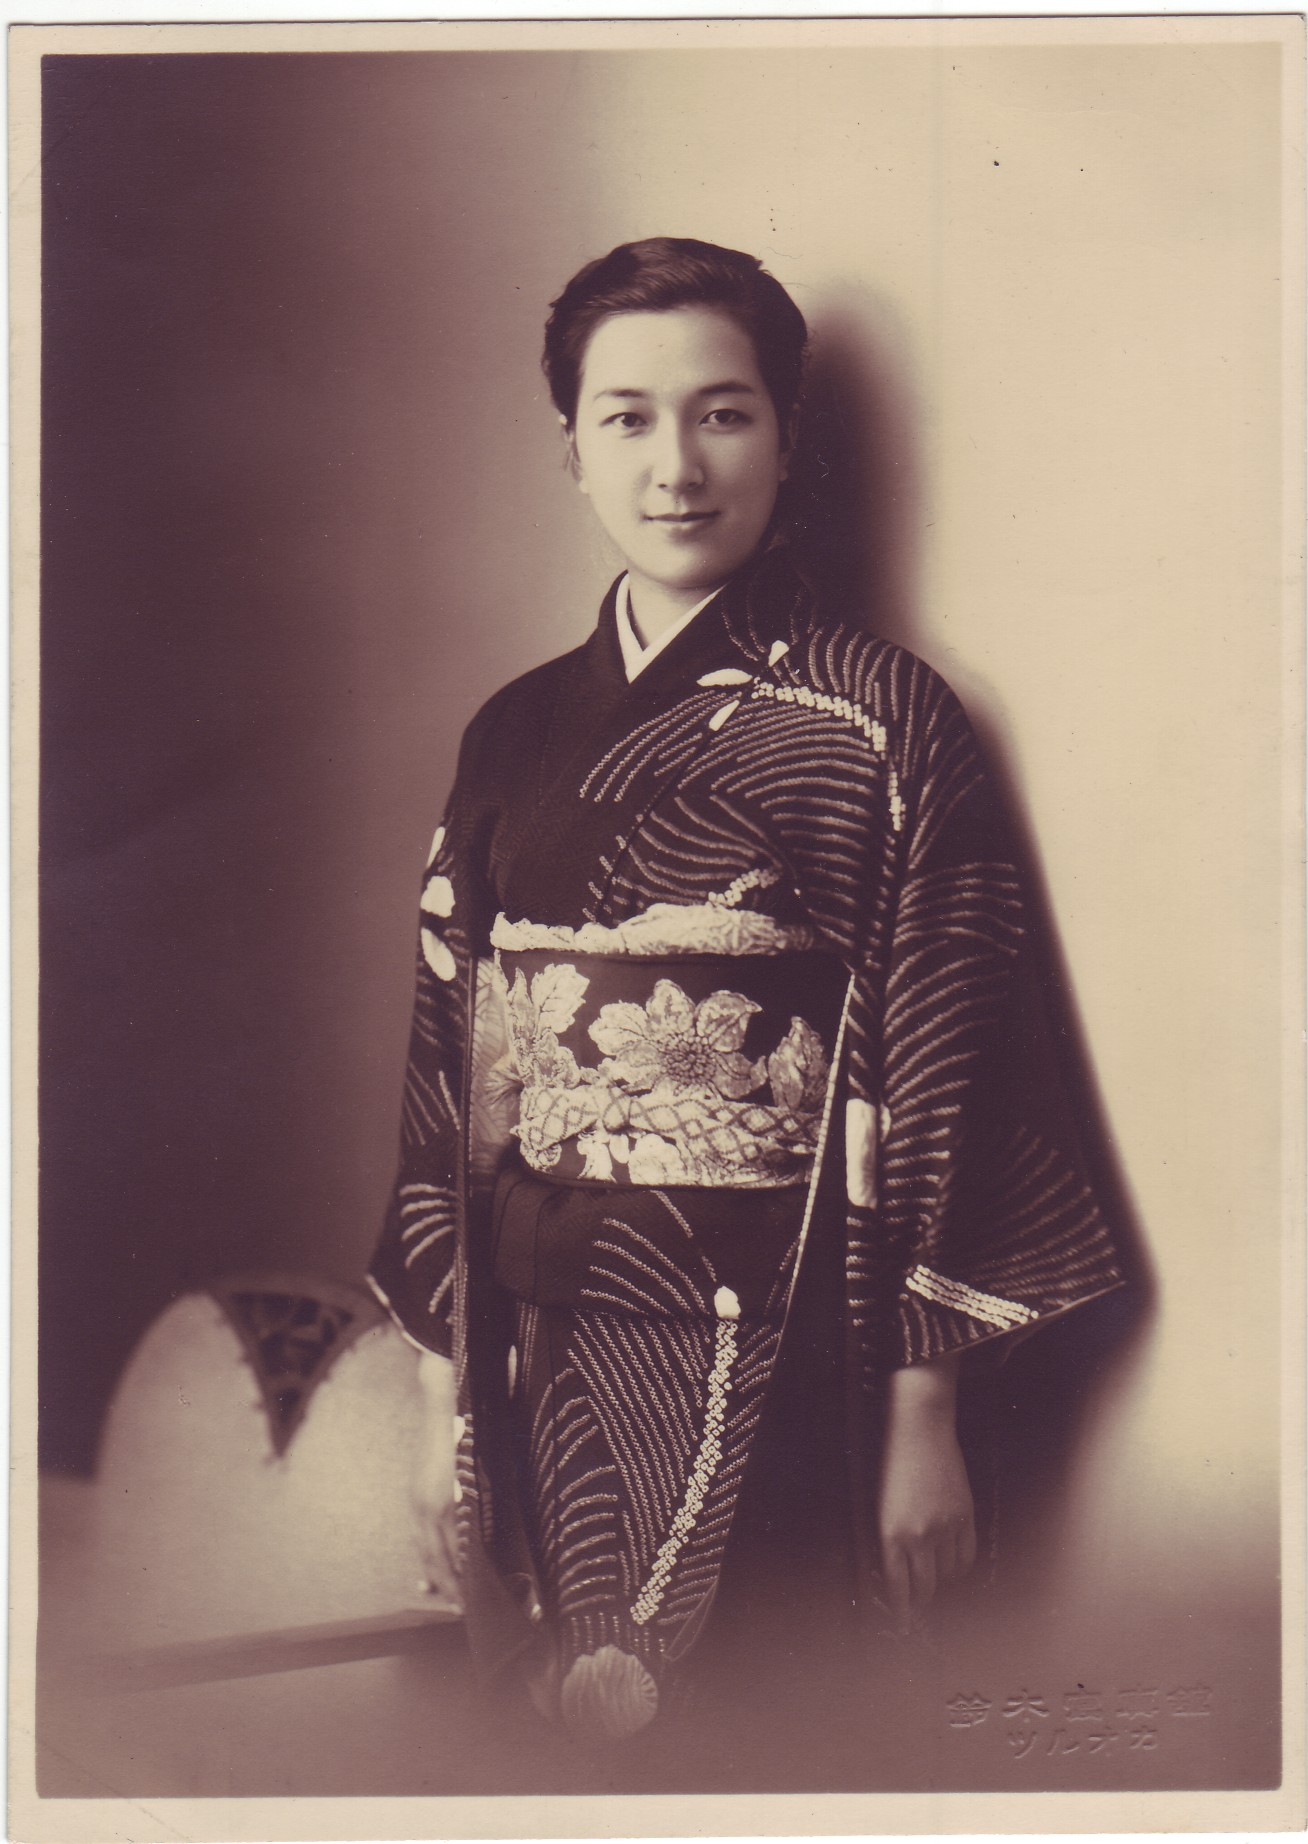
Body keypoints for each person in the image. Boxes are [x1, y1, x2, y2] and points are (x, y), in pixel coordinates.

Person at [368, 237, 1123, 1751]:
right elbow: (454, 1069)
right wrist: (439, 1394)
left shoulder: (881, 718)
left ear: (787, 437)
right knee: (564, 1757)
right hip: (540, 1336)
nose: (677, 467)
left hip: (781, 1333)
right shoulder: (512, 729)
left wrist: (925, 1419)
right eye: (627, 417)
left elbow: (948, 1061)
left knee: (758, 1741)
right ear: (571, 443)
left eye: (724, 413)